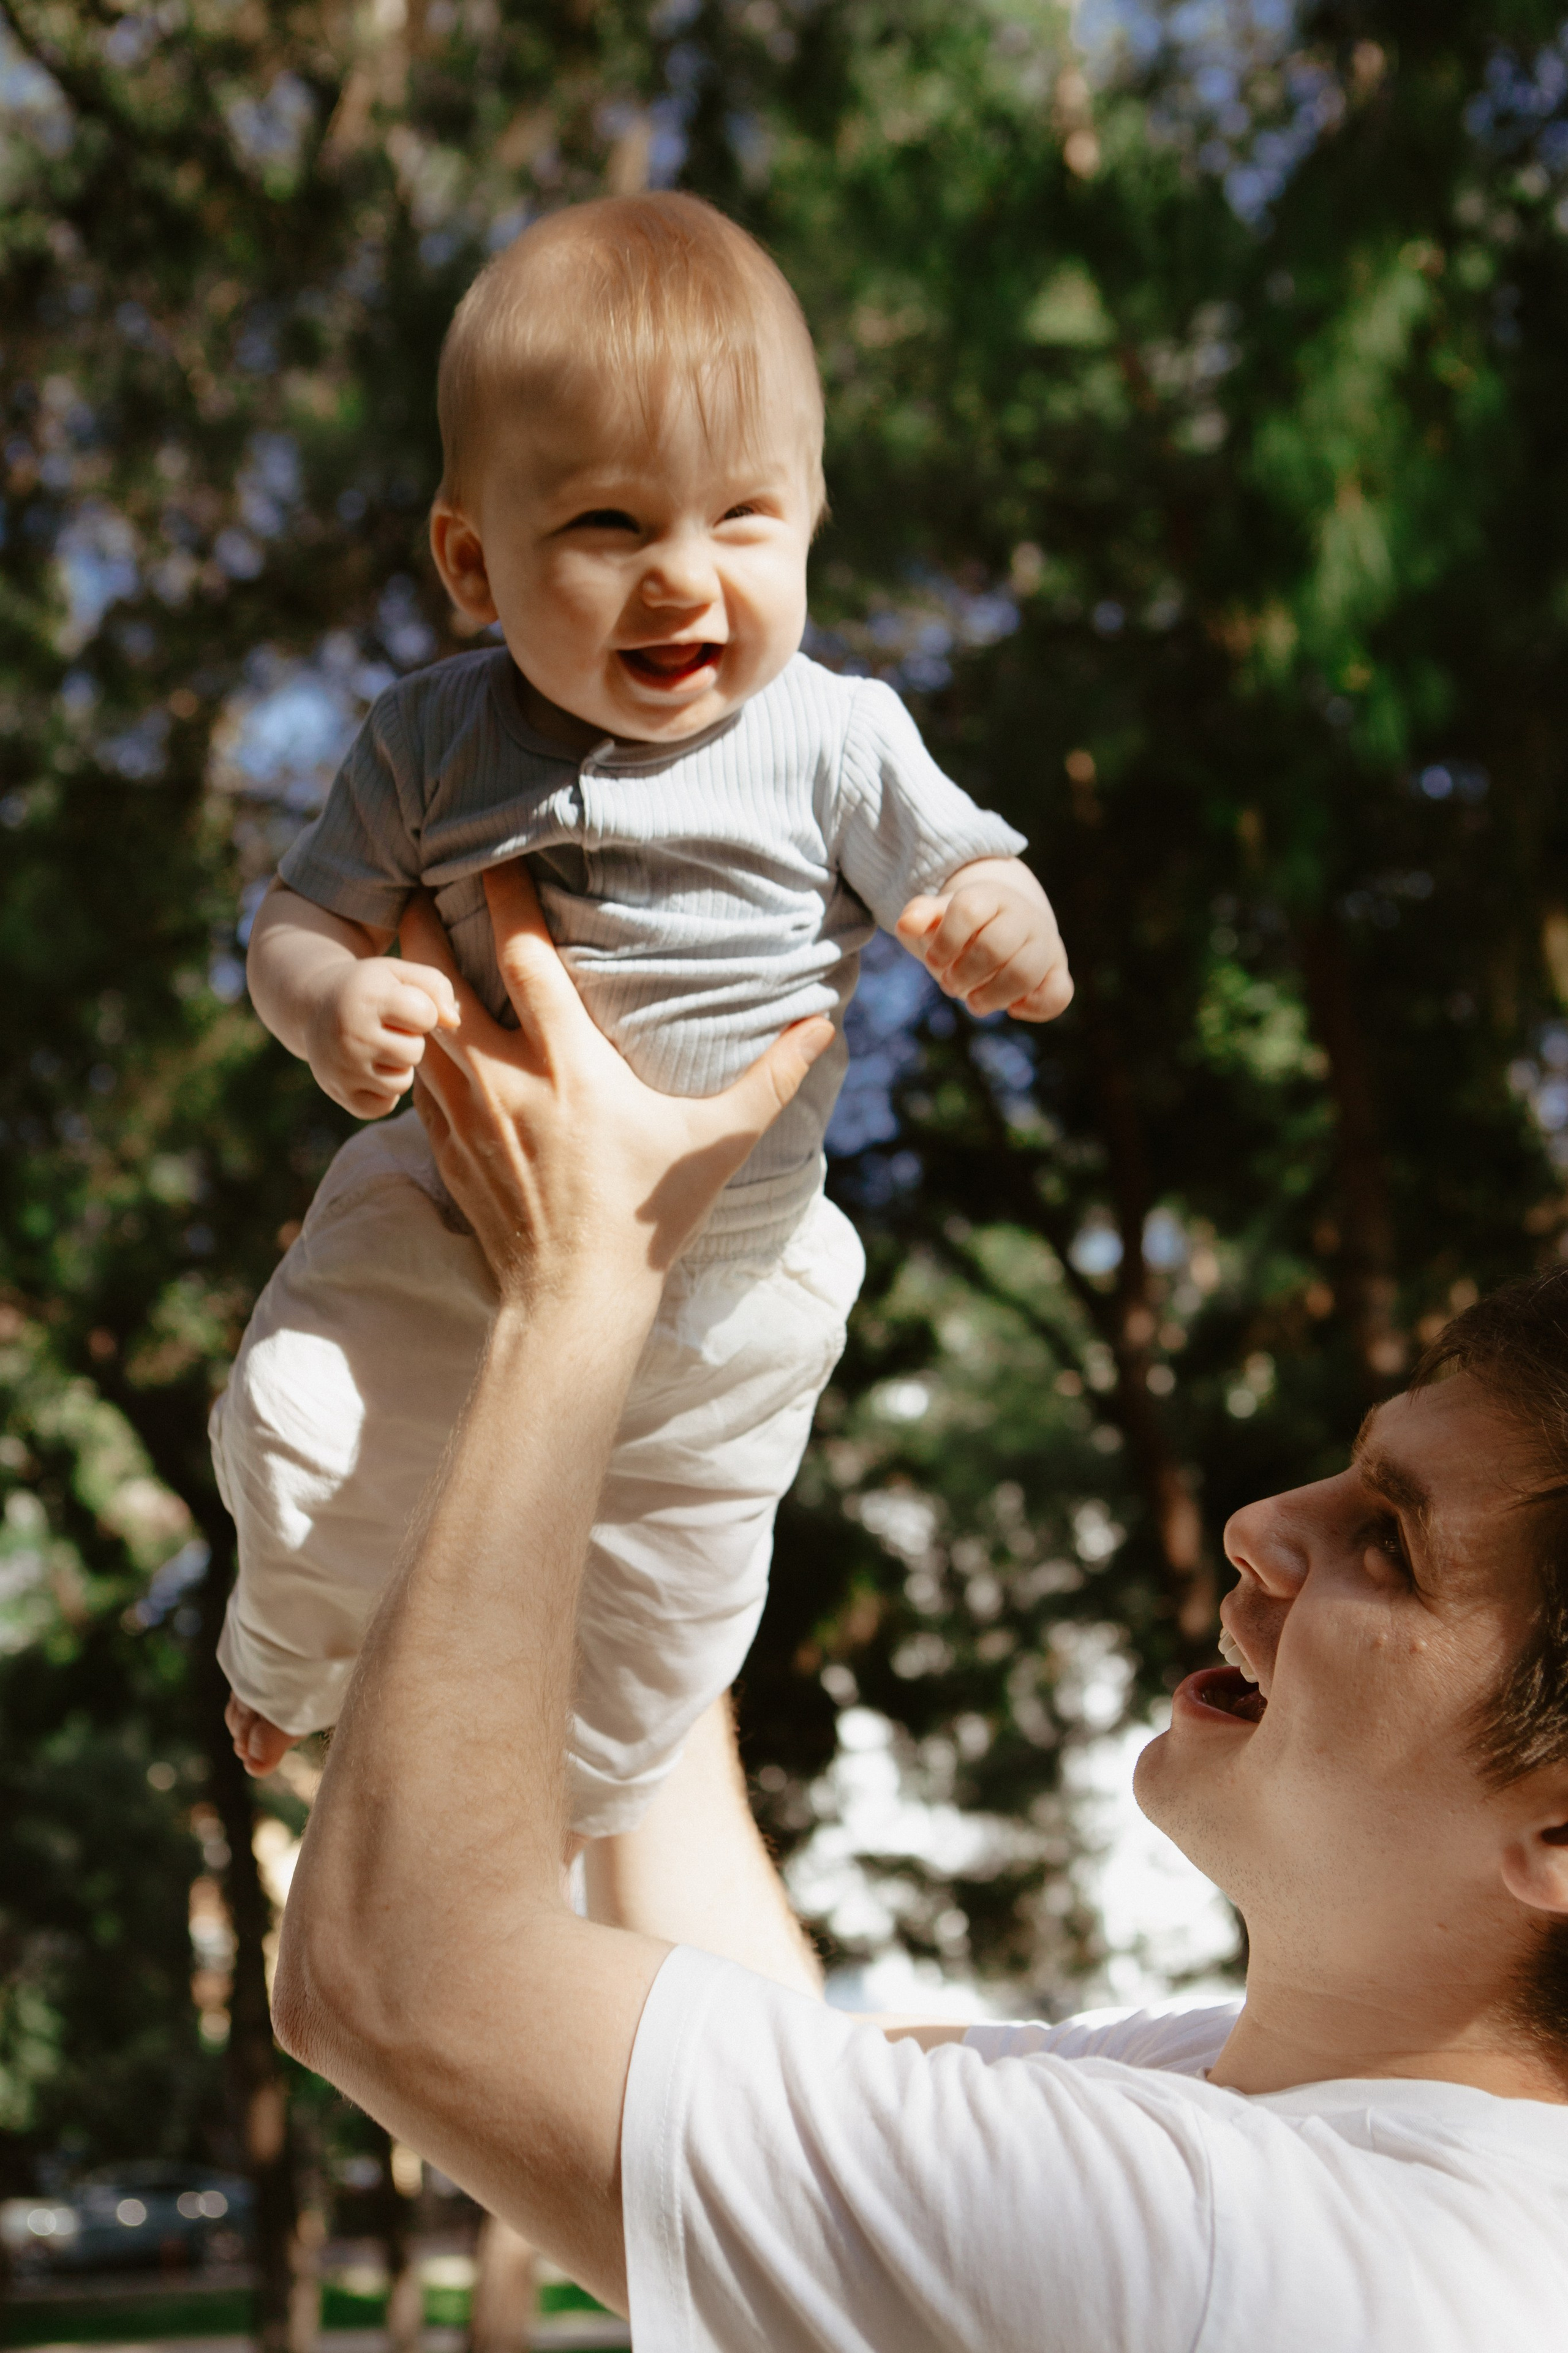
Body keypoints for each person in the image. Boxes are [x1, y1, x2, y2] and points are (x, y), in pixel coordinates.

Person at [274, 864, 1568, 2353]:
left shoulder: (1263, 2255)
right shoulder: (1246, 2096)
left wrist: (578, 1280)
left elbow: (404, 1979)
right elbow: (749, 2080)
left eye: (1389, 1546)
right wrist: (637, 1425)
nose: (1262, 1527)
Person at [211, 192, 1071, 1870]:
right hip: (459, 1225)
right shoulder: (429, 744)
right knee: (303, 1428)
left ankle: (567, 1821)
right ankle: (281, 1659)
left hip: (730, 1269)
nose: (686, 572)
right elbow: (295, 923)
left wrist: (998, 919)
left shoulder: (838, 734)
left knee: (677, 1596)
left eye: (743, 514)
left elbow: (965, 857)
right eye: (610, 522)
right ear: (474, 561)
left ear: (813, 515)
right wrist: (334, 1003)